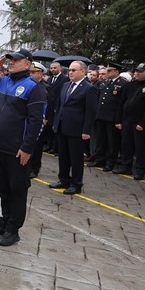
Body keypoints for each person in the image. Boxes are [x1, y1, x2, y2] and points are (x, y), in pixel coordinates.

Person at [0, 48, 46, 246]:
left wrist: (27, 148)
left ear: (27, 64)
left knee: (17, 190)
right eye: (10, 60)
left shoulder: (34, 87)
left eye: (16, 60)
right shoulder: (3, 81)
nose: (11, 63)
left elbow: (36, 122)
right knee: (3, 187)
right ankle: (4, 221)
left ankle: (13, 229)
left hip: (17, 150)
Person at [50, 61, 98, 195]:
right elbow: (60, 106)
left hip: (77, 129)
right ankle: (63, 179)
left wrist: (86, 131)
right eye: (70, 70)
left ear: (83, 71)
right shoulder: (65, 85)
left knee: (76, 158)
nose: (70, 72)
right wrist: (56, 123)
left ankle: (76, 184)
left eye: (74, 70)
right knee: (63, 156)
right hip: (62, 126)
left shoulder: (89, 88)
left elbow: (91, 111)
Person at [113, 63, 145, 180]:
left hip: (139, 123)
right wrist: (118, 120)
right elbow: (121, 103)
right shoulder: (130, 85)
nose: (136, 73)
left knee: (140, 147)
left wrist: (143, 123)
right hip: (126, 121)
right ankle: (126, 166)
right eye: (135, 71)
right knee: (126, 144)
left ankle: (140, 170)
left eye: (140, 72)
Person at [89, 63, 127, 171]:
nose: (107, 72)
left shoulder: (123, 84)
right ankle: (99, 159)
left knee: (112, 142)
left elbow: (121, 103)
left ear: (116, 71)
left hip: (112, 117)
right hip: (101, 115)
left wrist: (118, 119)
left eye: (110, 71)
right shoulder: (104, 83)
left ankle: (110, 162)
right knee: (101, 140)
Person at [28, 62, 50, 179]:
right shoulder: (28, 85)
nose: (31, 75)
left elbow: (50, 105)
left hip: (39, 119)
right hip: (28, 118)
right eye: (30, 72)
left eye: (33, 72)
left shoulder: (45, 87)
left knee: (36, 146)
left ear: (41, 74)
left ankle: (34, 168)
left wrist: (46, 118)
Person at [44, 61, 69, 154]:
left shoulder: (64, 79)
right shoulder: (50, 79)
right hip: (49, 106)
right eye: (51, 68)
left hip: (57, 106)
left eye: (55, 68)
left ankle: (56, 147)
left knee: (56, 128)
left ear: (60, 68)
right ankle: (49, 145)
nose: (53, 69)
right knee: (49, 126)